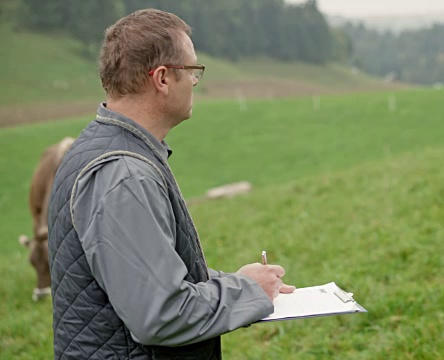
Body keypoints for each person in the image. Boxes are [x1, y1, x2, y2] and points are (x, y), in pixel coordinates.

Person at [47, 9, 294, 359]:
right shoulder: (123, 173)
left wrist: (234, 283)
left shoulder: (102, 147)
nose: (195, 81)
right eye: (192, 71)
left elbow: (143, 272)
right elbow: (160, 314)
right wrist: (246, 292)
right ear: (162, 78)